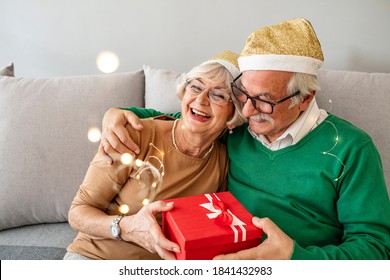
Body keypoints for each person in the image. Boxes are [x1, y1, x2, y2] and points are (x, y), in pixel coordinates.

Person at [99, 18, 390, 260]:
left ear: (305, 98)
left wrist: (295, 258)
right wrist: (119, 113)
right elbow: (181, 121)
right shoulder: (235, 127)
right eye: (243, 94)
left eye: (264, 100)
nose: (248, 110)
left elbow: (376, 247)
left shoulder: (351, 148)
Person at [64, 50, 246, 260]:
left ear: (234, 114)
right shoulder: (133, 135)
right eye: (195, 87)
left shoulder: (223, 160)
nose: (201, 99)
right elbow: (78, 213)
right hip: (96, 258)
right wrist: (127, 227)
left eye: (218, 95)